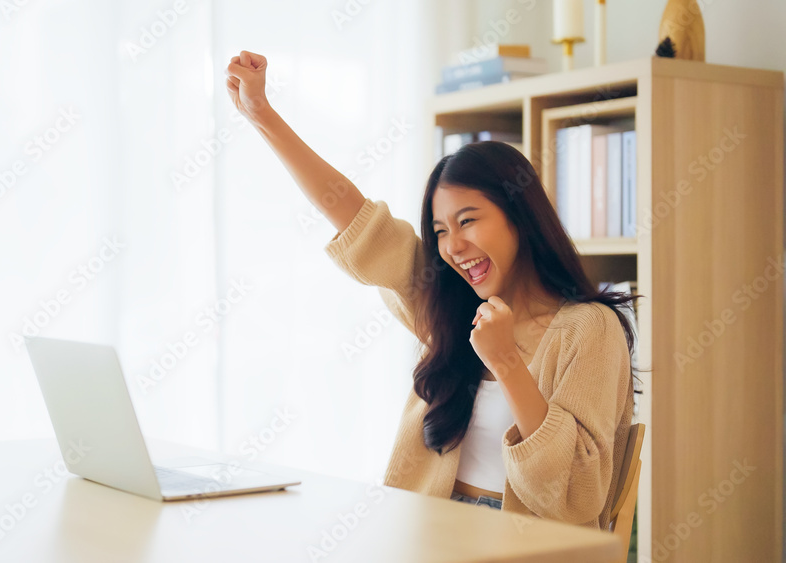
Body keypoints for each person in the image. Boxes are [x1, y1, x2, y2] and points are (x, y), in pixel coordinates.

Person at [224, 50, 643, 530]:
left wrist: (505, 360)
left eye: (468, 221)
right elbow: (359, 220)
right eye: (441, 230)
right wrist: (263, 115)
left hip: (527, 544)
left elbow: (575, 496)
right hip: (428, 531)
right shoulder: (449, 306)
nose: (453, 246)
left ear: (520, 219)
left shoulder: (588, 328)